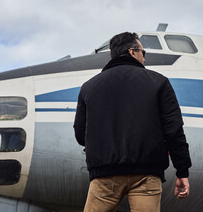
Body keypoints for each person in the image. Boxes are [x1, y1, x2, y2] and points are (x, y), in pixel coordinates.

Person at [73, 32, 192, 212]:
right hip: (146, 174)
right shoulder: (159, 82)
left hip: (104, 175)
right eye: (143, 53)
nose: (144, 58)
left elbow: (81, 135)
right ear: (132, 52)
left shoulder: (89, 87)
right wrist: (182, 170)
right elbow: (174, 131)